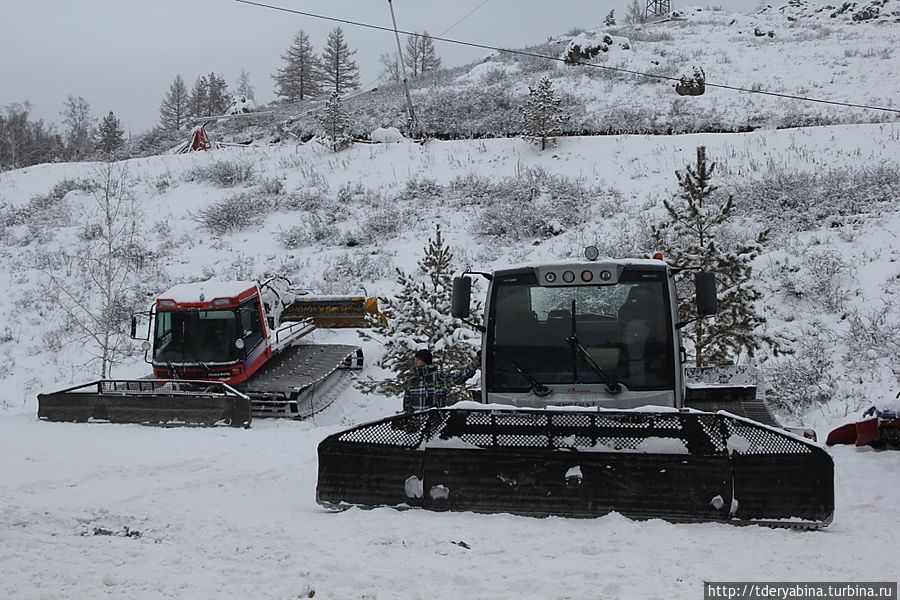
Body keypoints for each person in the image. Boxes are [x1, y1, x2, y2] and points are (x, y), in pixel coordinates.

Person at [402, 348, 477, 413]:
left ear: (425, 361)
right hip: (416, 422)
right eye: (415, 360)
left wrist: (474, 365)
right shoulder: (412, 381)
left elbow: (458, 377)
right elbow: (407, 404)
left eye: (418, 360)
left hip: (436, 421)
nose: (415, 362)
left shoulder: (439, 378)